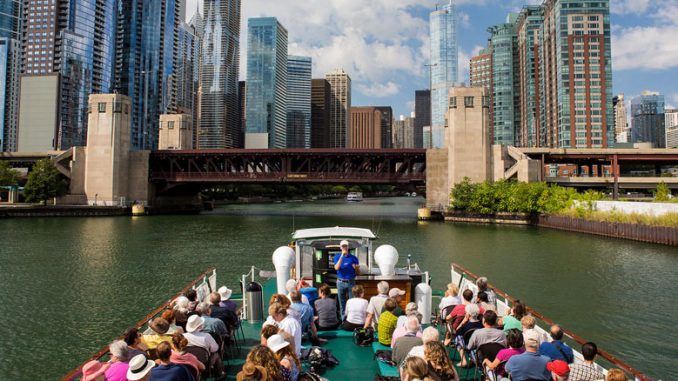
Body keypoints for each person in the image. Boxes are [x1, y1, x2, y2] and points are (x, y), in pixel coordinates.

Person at [333, 239, 360, 318]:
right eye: (343, 246)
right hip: (340, 282)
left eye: (346, 246)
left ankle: (352, 318)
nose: (344, 247)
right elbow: (336, 268)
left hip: (351, 282)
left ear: (348, 247)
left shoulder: (354, 258)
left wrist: (356, 268)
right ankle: (343, 319)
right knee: (342, 302)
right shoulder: (337, 257)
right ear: (340, 247)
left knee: (352, 301)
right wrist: (342, 256)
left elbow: (358, 272)